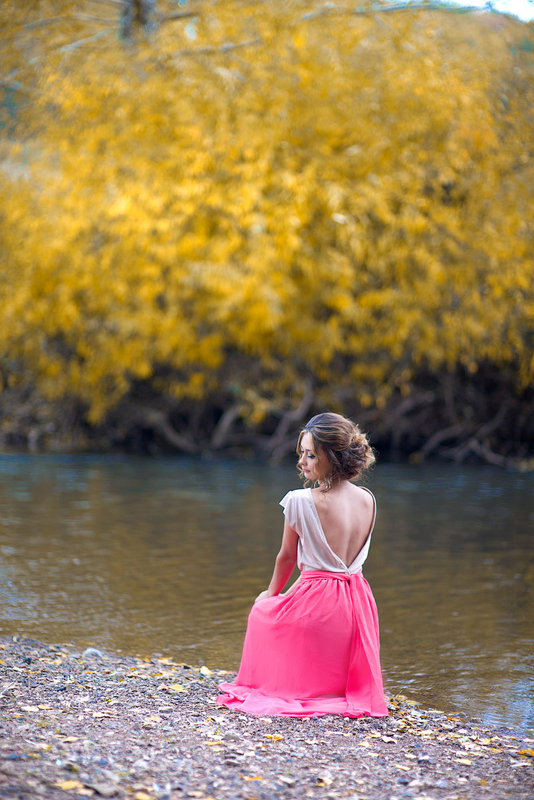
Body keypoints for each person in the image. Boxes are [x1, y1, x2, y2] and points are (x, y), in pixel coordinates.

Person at [217, 412, 388, 718]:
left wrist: (271, 593)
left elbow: (287, 557)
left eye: (310, 455)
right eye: (302, 454)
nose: (302, 462)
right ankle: (336, 686)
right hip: (359, 607)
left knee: (261, 612)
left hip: (321, 608)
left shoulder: (300, 500)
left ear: (332, 457)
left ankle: (298, 684)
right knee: (287, 610)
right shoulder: (368, 499)